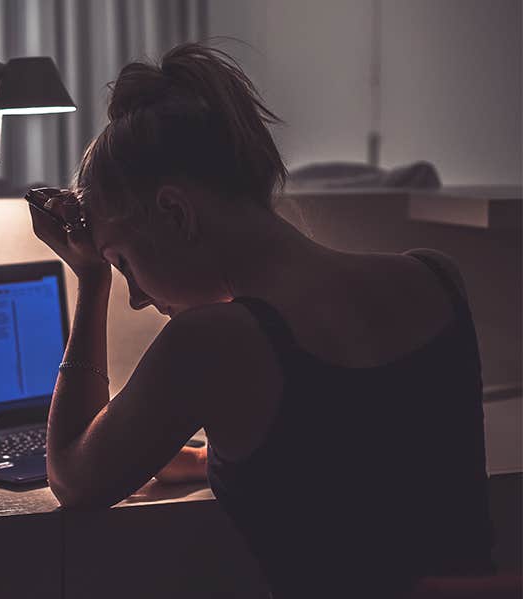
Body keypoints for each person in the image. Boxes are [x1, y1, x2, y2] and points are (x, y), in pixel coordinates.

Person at [31, 43, 495, 597]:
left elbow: (72, 476)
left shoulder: (212, 342)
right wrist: (209, 457)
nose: (135, 295)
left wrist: (91, 280)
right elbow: (348, 454)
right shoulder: (435, 278)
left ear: (176, 213)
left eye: (122, 261)